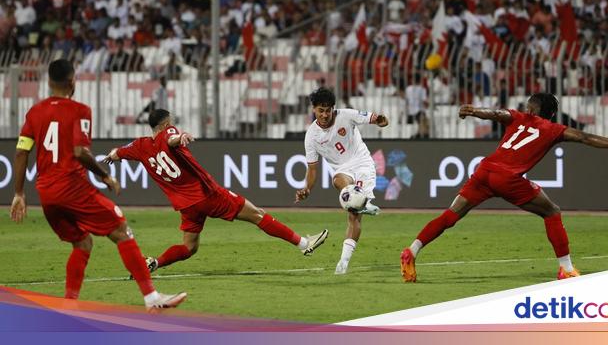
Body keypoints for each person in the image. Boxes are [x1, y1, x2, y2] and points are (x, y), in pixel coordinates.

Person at [400, 93, 608, 282]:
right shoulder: (554, 129)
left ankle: (412, 250)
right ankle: (566, 269)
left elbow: (496, 114)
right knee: (552, 211)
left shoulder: (517, 116)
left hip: (484, 171)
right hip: (508, 178)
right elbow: (585, 138)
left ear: (530, 109)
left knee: (450, 215)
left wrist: (474, 111)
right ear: (552, 113)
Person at [9, 59, 186, 310]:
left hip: (46, 193)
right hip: (72, 188)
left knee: (82, 242)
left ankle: (69, 304)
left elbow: (21, 152)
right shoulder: (80, 110)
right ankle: (151, 297)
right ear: (72, 82)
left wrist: (18, 193)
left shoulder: (34, 113)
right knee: (121, 230)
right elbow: (80, 152)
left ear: (49, 82)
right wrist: (104, 176)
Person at [103, 109, 329, 273]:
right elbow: (171, 139)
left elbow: (117, 153)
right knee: (257, 214)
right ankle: (303, 243)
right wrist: (179, 137)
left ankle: (154, 263)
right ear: (164, 125)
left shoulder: (140, 146)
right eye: (171, 123)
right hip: (206, 194)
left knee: (189, 247)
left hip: (185, 206)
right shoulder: (167, 132)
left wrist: (111, 156)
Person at [295, 87, 389, 275]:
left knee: (353, 216)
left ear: (333, 108)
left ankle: (343, 262)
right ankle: (362, 202)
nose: (325, 114)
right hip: (343, 170)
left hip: (363, 165)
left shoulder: (346, 116)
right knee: (337, 180)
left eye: (328, 110)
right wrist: (307, 189)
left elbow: (375, 118)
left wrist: (380, 120)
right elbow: (313, 169)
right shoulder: (311, 136)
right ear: (313, 109)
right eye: (321, 110)